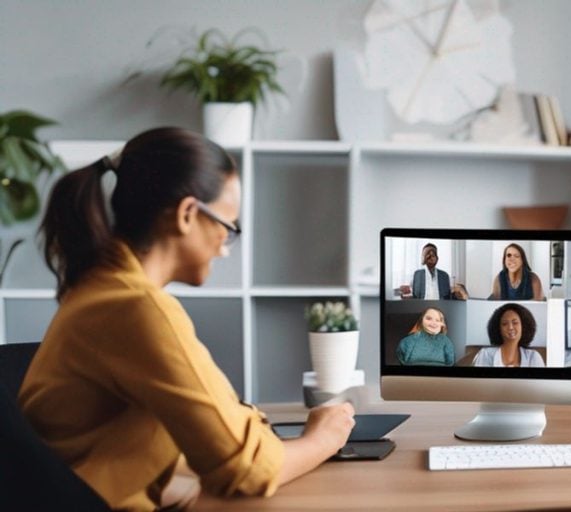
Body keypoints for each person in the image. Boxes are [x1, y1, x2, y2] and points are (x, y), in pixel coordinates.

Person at [18, 127, 356, 510]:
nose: (225, 250)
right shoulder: (135, 308)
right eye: (228, 228)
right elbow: (248, 471)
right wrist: (324, 438)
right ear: (187, 214)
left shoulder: (102, 289)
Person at [472, 303, 546, 367]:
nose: (510, 327)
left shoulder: (533, 357)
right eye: (504, 324)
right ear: (498, 329)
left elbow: (541, 383)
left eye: (515, 323)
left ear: (524, 326)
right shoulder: (486, 355)